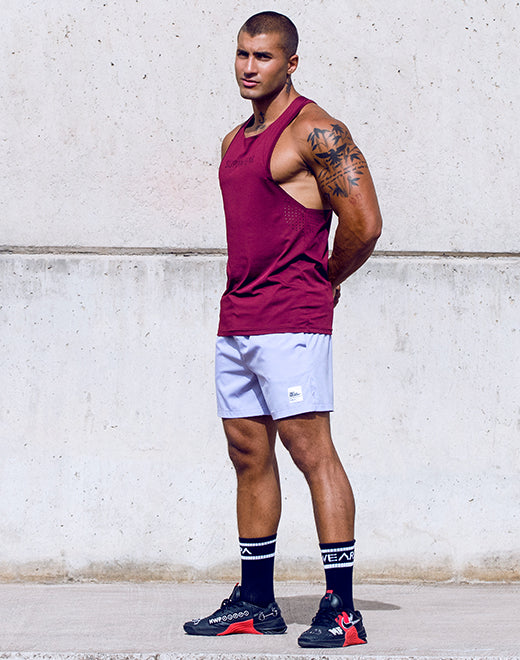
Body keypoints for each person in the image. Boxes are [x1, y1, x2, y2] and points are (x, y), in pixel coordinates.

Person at [183, 11, 382, 649]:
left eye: (263, 56)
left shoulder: (316, 131)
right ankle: (256, 601)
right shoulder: (234, 140)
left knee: (311, 452)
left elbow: (365, 224)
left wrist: (326, 280)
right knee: (247, 454)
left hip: (292, 318)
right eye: (242, 54)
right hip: (238, 316)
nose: (249, 67)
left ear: (290, 63)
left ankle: (342, 609)